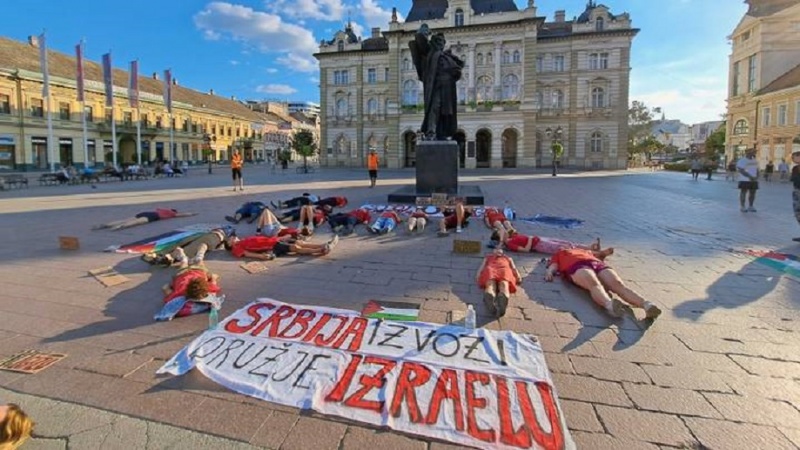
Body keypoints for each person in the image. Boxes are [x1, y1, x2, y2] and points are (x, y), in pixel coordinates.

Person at [544, 248, 662, 320]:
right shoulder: (559, 254)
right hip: (575, 266)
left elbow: (601, 254)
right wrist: (549, 272)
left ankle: (647, 305)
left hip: (596, 263)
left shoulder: (585, 250)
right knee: (594, 284)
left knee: (617, 285)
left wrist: (606, 252)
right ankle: (609, 304)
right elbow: (554, 265)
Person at [408, 25, 464, 140]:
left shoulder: (448, 57)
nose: (441, 44)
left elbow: (458, 69)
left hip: (447, 88)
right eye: (438, 41)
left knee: (445, 112)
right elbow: (419, 37)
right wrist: (425, 29)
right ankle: (431, 133)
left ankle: (441, 133)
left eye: (442, 42)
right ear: (434, 43)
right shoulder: (430, 52)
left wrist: (455, 73)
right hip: (436, 86)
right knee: (434, 108)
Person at [475, 247, 522, 318]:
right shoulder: (488, 257)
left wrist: (517, 275)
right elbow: (482, 266)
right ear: (493, 251)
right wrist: (478, 273)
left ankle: (503, 298)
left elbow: (513, 267)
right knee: (490, 283)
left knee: (504, 283)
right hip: (491, 268)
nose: (498, 251)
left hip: (504, 269)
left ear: (503, 252)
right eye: (496, 249)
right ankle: (489, 296)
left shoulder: (508, 258)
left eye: (500, 250)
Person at [492, 231, 611, 256]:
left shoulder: (512, 236)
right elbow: (526, 250)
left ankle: (590, 247)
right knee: (565, 248)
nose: (504, 231)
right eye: (501, 232)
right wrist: (529, 239)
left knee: (566, 242)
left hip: (541, 239)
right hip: (539, 245)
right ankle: (596, 253)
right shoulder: (510, 244)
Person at [227, 234, 338, 259]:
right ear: (229, 244)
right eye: (230, 239)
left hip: (273, 242)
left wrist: (280, 237)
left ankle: (322, 246)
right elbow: (248, 253)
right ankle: (321, 249)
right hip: (272, 246)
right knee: (295, 247)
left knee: (298, 244)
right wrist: (262, 257)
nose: (233, 237)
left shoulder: (242, 240)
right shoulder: (237, 247)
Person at [92, 208, 196, 231]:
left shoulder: (162, 209)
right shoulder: (172, 214)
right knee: (135, 223)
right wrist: (192, 213)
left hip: (147, 213)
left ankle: (105, 225)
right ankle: (118, 227)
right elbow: (183, 214)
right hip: (152, 217)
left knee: (125, 219)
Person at [737, 148, 760, 212]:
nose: (754, 152)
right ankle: (742, 206)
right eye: (753, 151)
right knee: (743, 192)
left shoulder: (755, 161)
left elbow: (757, 169)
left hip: (754, 180)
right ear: (747, 152)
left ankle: (751, 206)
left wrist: (757, 176)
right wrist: (749, 176)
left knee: (753, 193)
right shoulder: (742, 160)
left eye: (755, 151)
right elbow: (741, 170)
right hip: (744, 179)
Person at [791, 151, 800, 242]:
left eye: (795, 157)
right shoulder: (795, 168)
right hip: (797, 192)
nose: (793, 159)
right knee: (798, 213)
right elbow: (793, 179)